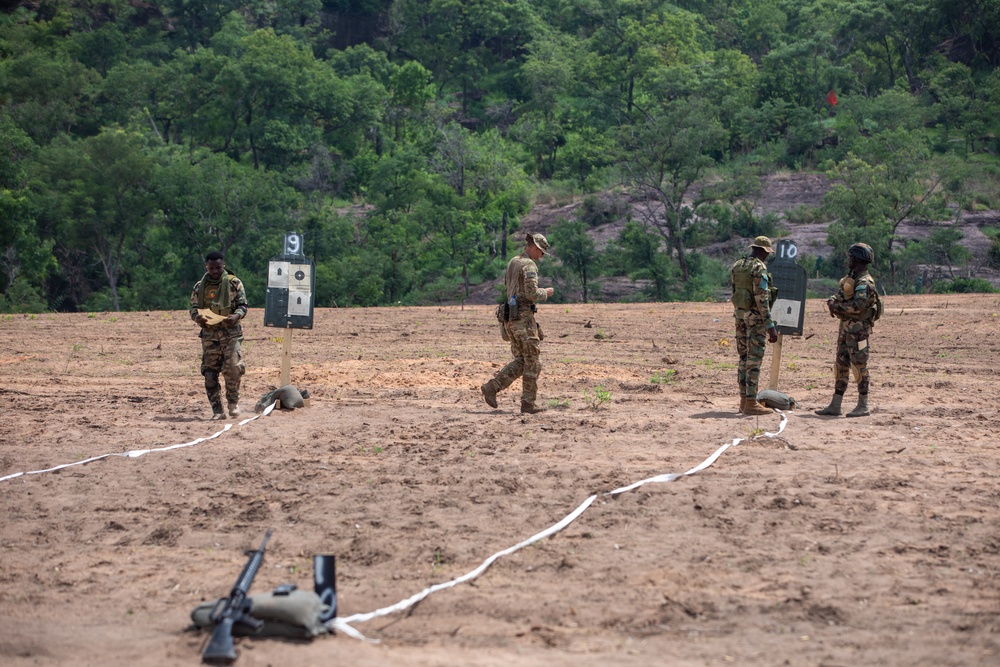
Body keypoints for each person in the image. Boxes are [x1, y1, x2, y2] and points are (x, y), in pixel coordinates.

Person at [481, 233, 555, 414]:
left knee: (522, 360)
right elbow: (531, 294)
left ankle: (493, 387)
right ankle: (527, 404)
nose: (542, 256)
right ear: (535, 248)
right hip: (523, 319)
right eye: (542, 252)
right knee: (533, 361)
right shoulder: (529, 265)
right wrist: (546, 292)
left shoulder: (513, 261)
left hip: (510, 319)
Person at [816, 243, 880, 418]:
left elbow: (858, 306)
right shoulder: (851, 279)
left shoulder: (864, 283)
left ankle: (863, 405)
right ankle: (835, 405)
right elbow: (839, 295)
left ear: (859, 259)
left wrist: (836, 307)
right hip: (846, 330)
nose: (848, 260)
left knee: (859, 366)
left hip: (858, 331)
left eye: (851, 257)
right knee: (841, 365)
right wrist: (833, 300)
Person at [190, 251, 249, 419]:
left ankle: (233, 403)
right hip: (209, 335)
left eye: (218, 267)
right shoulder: (199, 286)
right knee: (209, 374)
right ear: (206, 267)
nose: (215, 271)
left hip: (231, 334)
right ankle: (217, 410)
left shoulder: (234, 283)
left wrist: (236, 316)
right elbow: (193, 308)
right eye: (211, 268)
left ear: (223, 265)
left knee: (233, 368)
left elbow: (243, 305)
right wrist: (197, 318)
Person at [730, 236, 779, 416]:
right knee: (754, 359)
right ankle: (751, 402)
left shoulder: (738, 265)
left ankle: (744, 401)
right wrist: (770, 325)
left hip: (740, 316)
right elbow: (761, 298)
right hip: (755, 319)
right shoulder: (759, 268)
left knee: (743, 358)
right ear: (764, 251)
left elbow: (734, 292)